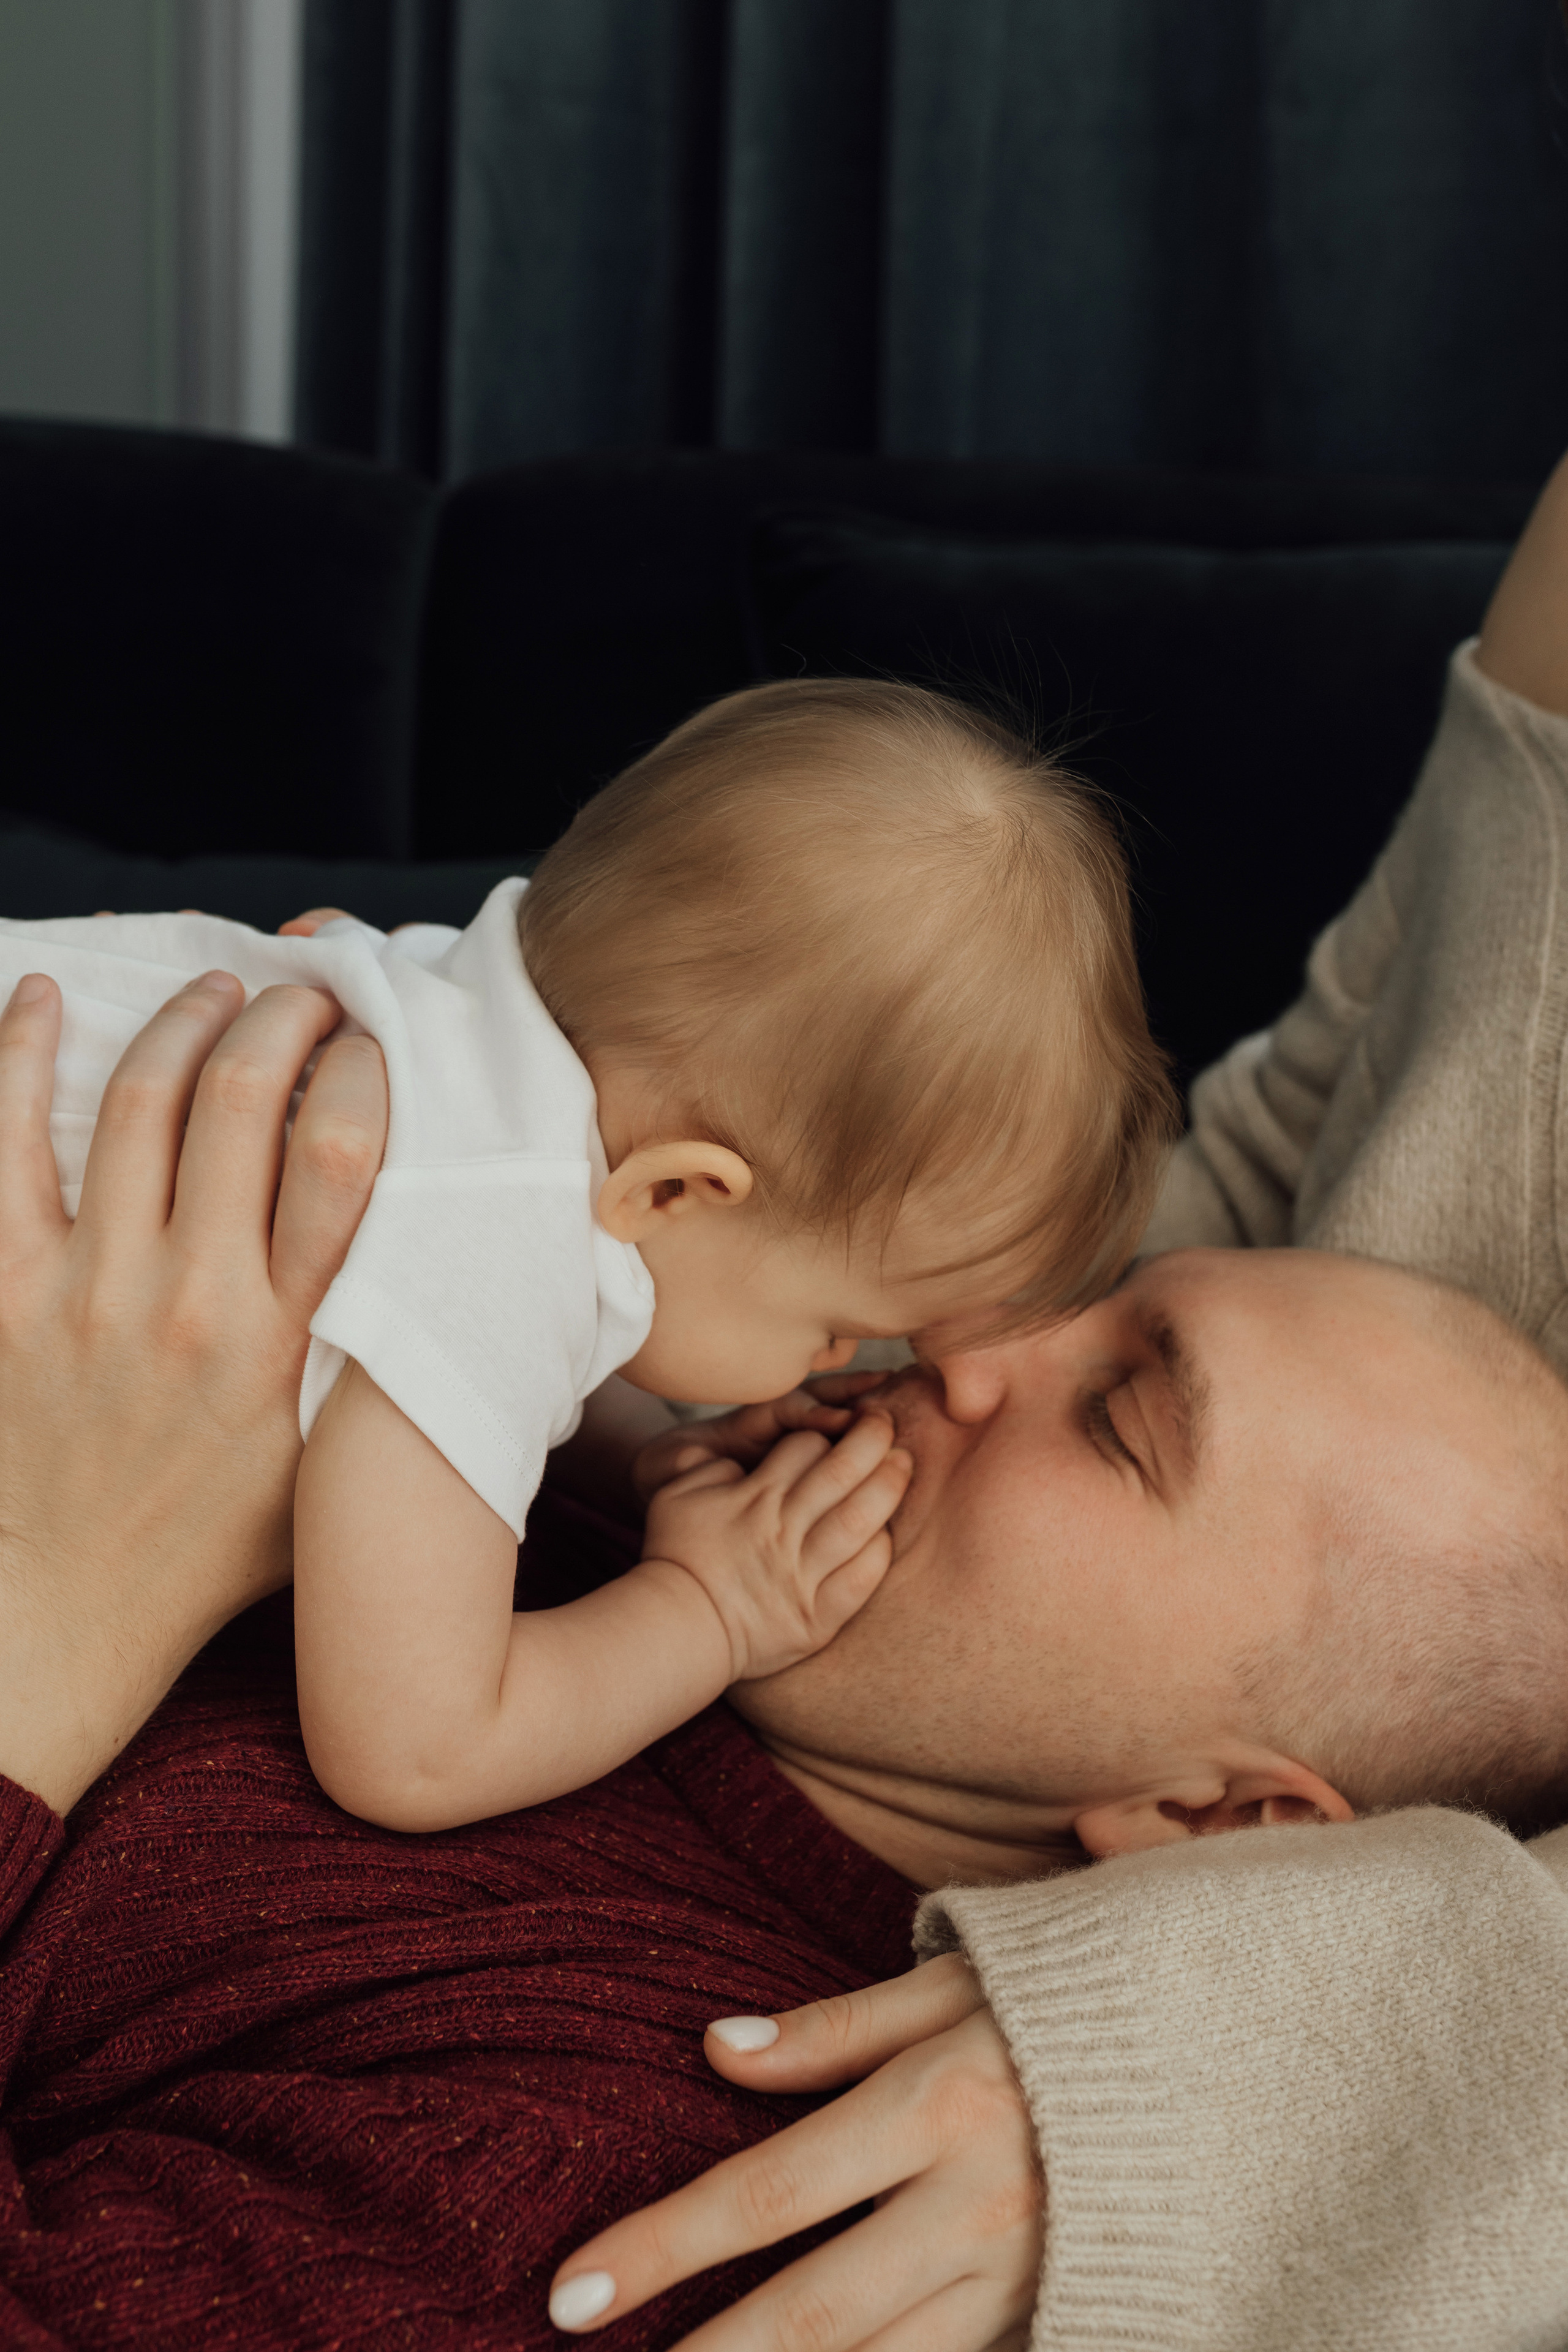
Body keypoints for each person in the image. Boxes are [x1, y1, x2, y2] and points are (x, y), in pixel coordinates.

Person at [10, 454, 1568, 2350]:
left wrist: (54, 1615)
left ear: (1222, 1822)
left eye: (1119, 1419)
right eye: (1098, 1306)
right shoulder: (617, 1443)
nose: (964, 1354)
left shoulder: (617, 2147)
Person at [0, 677, 1176, 1832]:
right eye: (837, 1324)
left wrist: (644, 1460)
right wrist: (710, 1605)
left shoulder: (447, 999)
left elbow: (477, 1357)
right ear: (674, 1188)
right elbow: (413, 1748)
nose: (838, 1362)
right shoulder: (492, 1239)